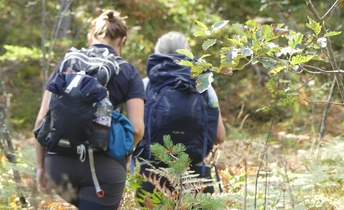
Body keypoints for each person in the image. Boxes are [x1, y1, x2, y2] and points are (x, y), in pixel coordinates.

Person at [33, 10, 145, 209]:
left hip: (58, 166)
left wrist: (41, 167)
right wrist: (125, 154)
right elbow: (137, 129)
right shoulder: (128, 71)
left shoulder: (66, 64)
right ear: (123, 41)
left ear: (90, 38)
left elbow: (42, 119)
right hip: (104, 170)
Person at [136, 31, 226, 200]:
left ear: (158, 53)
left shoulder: (145, 85)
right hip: (196, 177)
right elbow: (220, 135)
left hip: (152, 176)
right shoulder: (204, 85)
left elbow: (136, 129)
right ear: (187, 52)